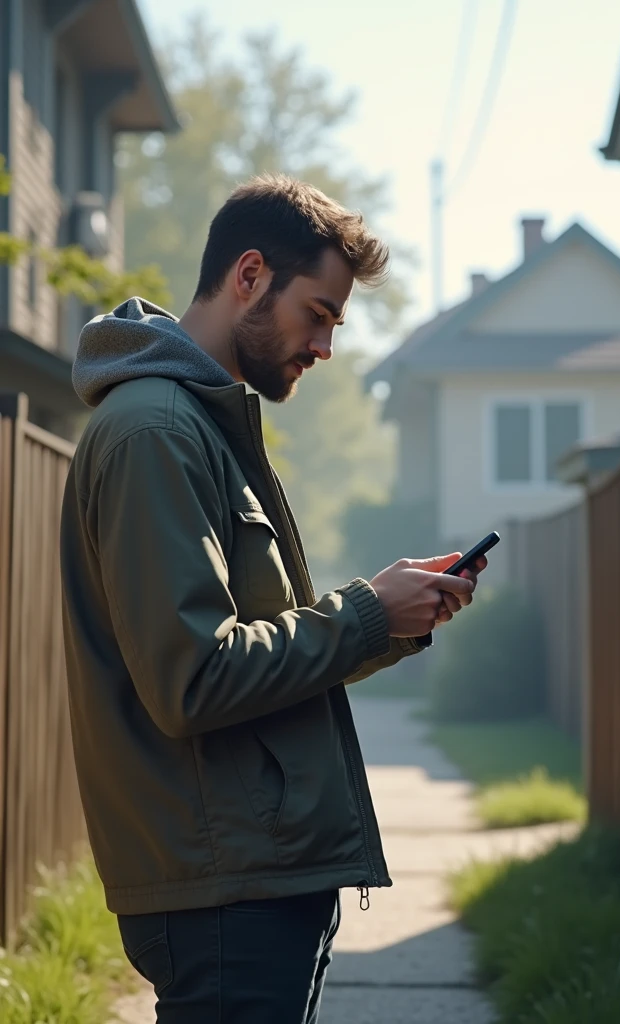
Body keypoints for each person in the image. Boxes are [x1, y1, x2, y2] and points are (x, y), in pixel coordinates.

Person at [60, 175, 485, 1023]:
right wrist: (367, 612)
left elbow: (250, 649)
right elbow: (195, 679)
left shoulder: (197, 426)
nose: (326, 346)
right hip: (225, 892)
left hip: (247, 880)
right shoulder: (157, 433)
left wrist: (391, 619)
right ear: (249, 275)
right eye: (319, 314)